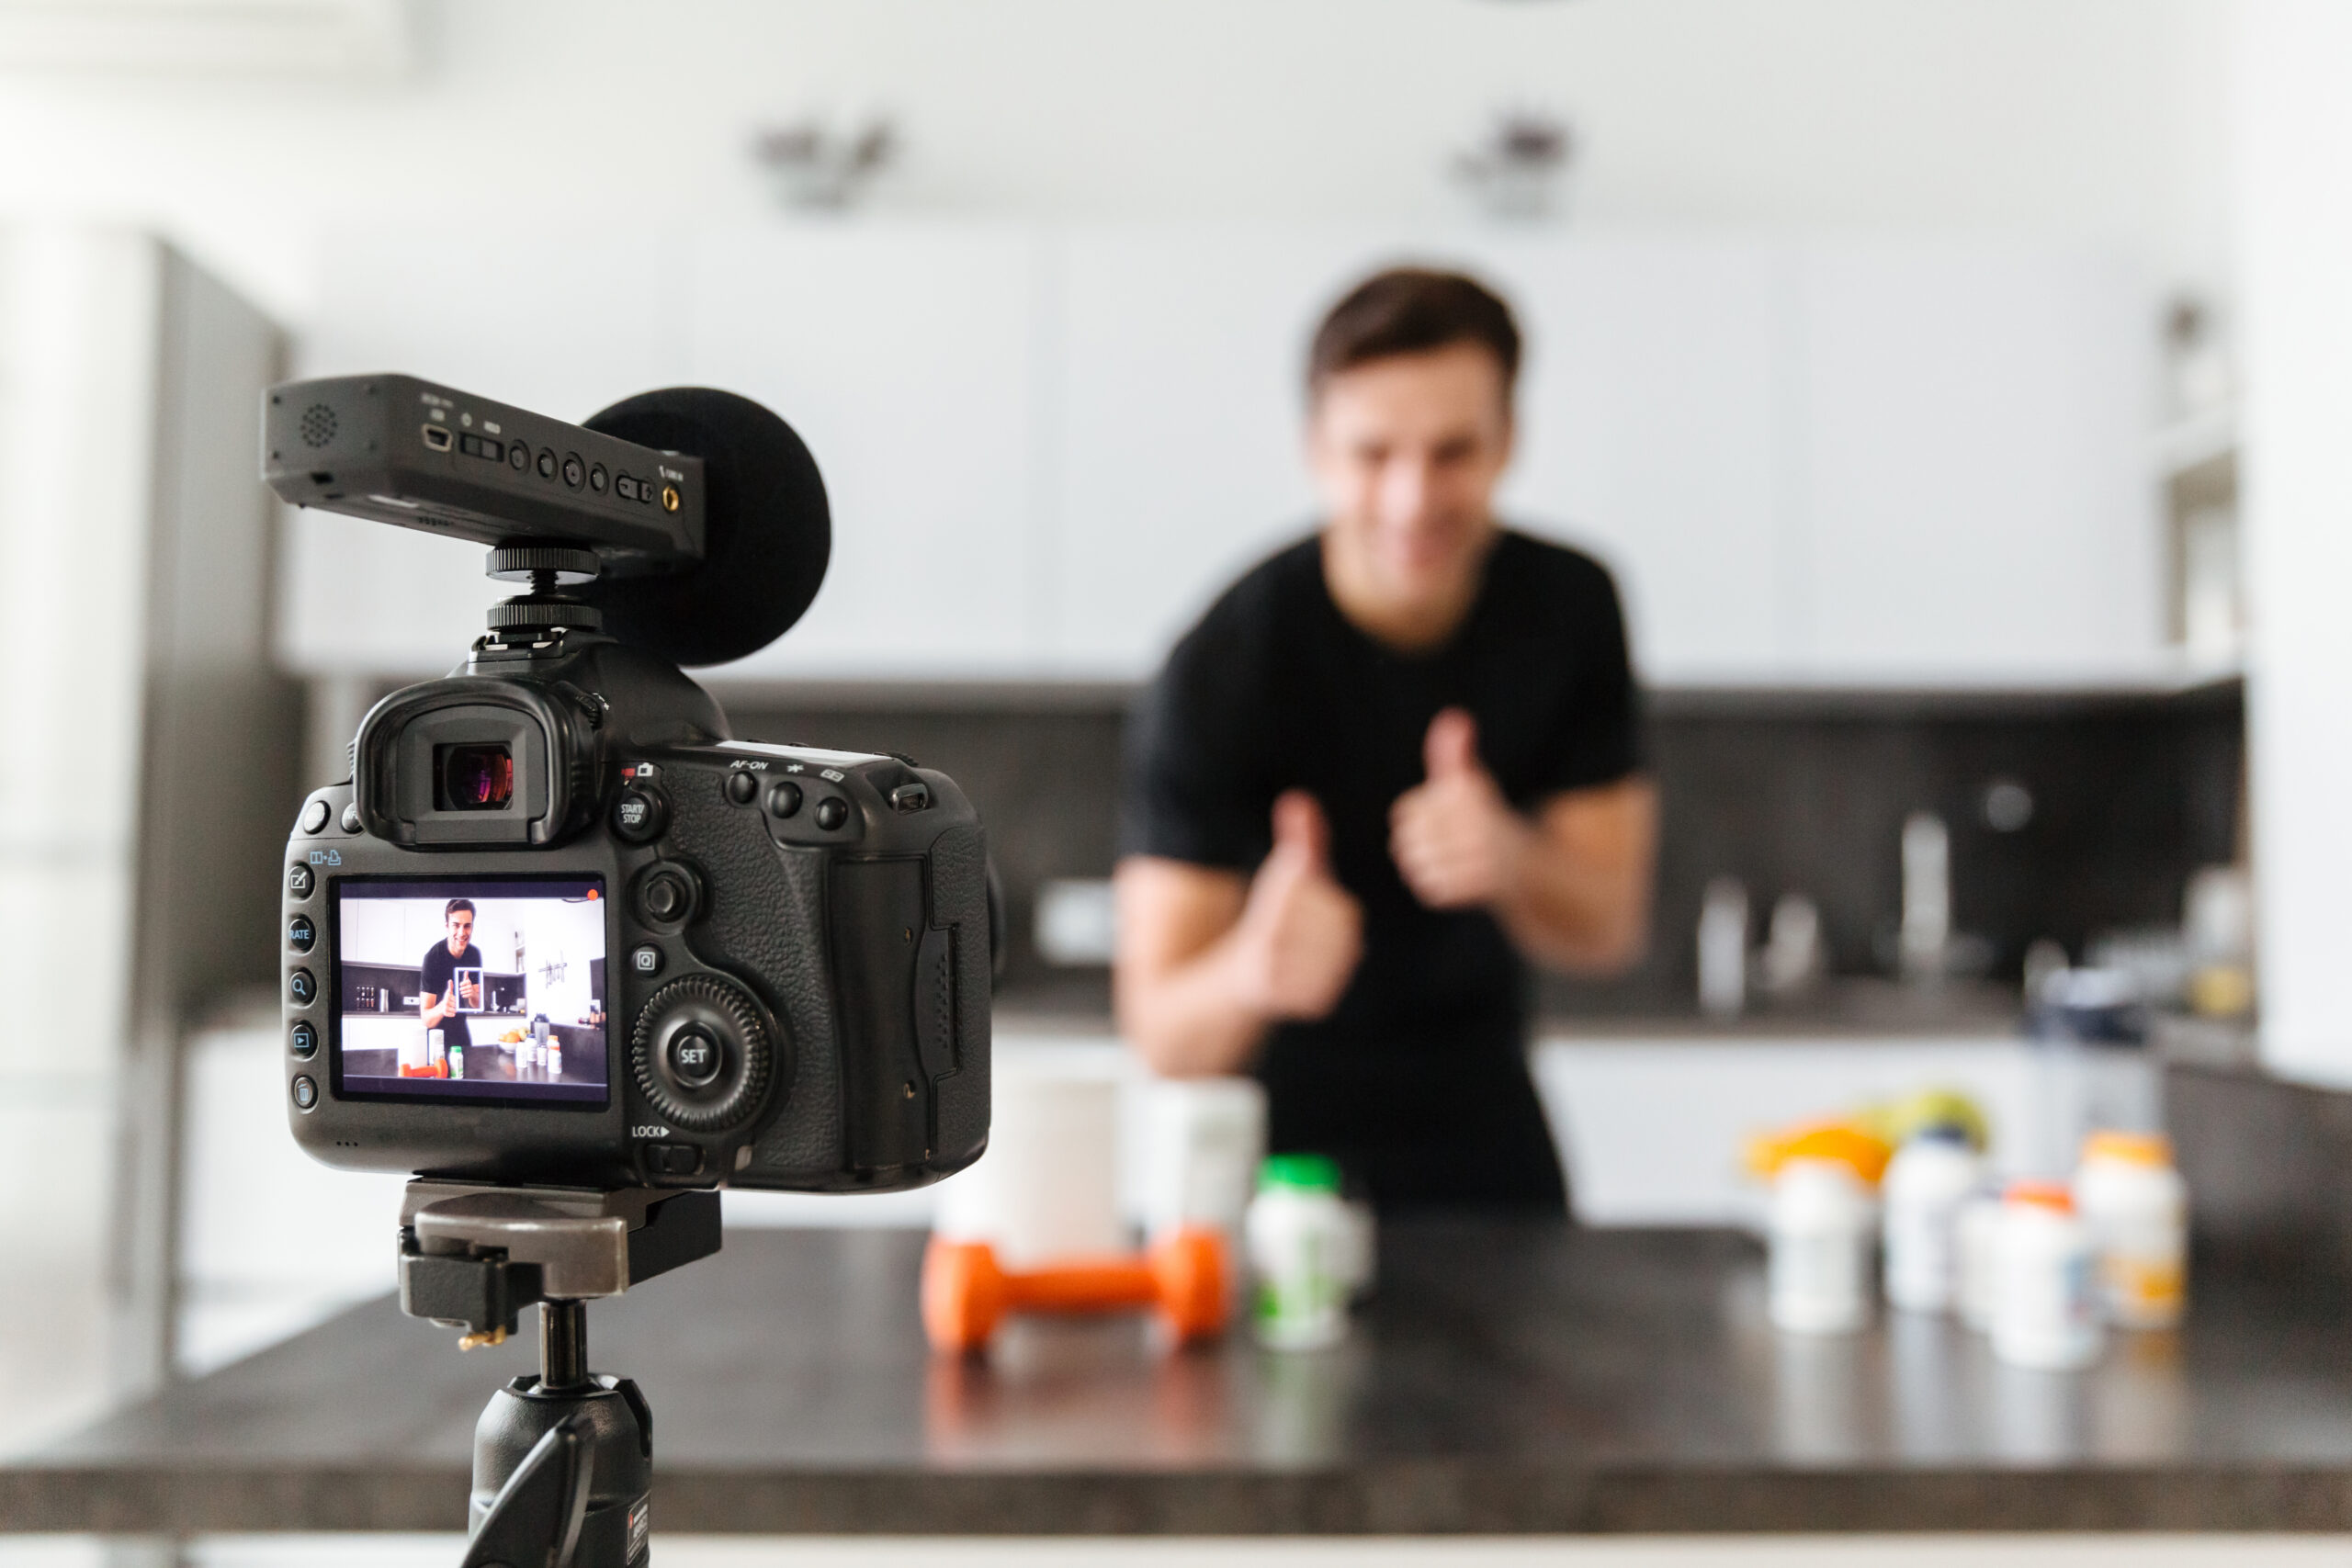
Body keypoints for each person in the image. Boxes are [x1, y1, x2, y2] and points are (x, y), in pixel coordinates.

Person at [1114, 267, 1659, 1214]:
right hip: (1276, 1162)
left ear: (1508, 443)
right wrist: (1251, 970)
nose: (1413, 500)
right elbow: (1162, 1035)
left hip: (1488, 1135)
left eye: (1454, 452)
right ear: (1315, 450)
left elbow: (1607, 928)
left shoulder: (1571, 608)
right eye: (1373, 455)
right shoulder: (1222, 663)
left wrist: (1512, 859)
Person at [420, 897, 484, 1059]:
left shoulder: (474, 955)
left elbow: (476, 1004)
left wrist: (472, 994)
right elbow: (426, 1019)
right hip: (437, 1036)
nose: (462, 933)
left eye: (467, 926)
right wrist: (443, 1007)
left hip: (461, 1030)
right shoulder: (433, 958)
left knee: (468, 1079)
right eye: (456, 925)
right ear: (447, 926)